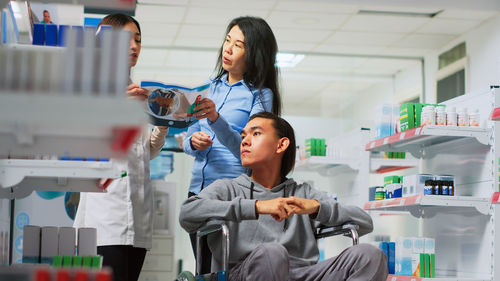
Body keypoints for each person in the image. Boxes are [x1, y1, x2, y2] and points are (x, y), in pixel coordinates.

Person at [180, 112, 388, 281]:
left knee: (370, 256)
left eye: (256, 134)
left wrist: (316, 208)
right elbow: (187, 212)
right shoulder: (227, 188)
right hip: (245, 272)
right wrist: (257, 206)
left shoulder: (302, 193)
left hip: (302, 273)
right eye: (243, 136)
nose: (244, 141)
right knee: (272, 254)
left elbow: (364, 222)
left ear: (281, 145)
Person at [74, 14, 169, 281]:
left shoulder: (137, 93)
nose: (134, 46)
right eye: (127, 39)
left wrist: (162, 125)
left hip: (137, 219)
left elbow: (143, 153)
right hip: (105, 218)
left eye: (138, 40)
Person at [182, 16, 282, 270]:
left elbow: (251, 152)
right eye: (228, 40)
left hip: (231, 196)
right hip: (198, 192)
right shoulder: (207, 89)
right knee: (203, 269)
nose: (228, 49)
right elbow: (186, 136)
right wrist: (192, 142)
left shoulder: (260, 96)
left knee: (224, 269)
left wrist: (216, 119)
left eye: (238, 45)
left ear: (255, 54)